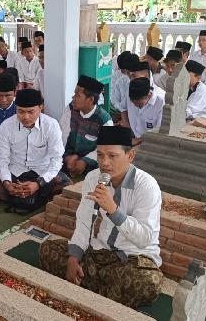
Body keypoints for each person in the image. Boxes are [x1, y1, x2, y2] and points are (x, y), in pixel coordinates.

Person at [38, 126, 163, 308]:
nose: (104, 162)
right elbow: (84, 221)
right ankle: (103, 291)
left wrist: (113, 209)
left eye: (112, 156)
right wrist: (74, 257)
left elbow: (144, 238)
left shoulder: (147, 186)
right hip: (99, 253)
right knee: (47, 249)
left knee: (147, 283)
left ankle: (93, 297)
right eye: (100, 155)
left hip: (133, 258)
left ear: (130, 156)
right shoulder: (93, 177)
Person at [0, 89, 71, 214]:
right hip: (16, 173)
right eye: (20, 111)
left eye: (31, 112)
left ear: (41, 108)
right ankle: (29, 196)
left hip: (41, 173)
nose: (25, 117)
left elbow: (56, 160)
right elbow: (2, 159)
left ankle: (25, 196)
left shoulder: (51, 125)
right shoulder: (7, 126)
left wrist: (38, 184)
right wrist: (7, 183)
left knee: (67, 186)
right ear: (16, 108)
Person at [59, 76, 114, 177]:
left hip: (92, 167)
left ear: (90, 100)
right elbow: (62, 135)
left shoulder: (105, 120)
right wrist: (67, 157)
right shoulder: (70, 109)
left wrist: (84, 161)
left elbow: (106, 148)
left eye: (77, 95)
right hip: (68, 161)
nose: (73, 97)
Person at [126, 77, 165, 145]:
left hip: (152, 141)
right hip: (133, 137)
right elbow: (122, 108)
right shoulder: (129, 96)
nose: (135, 105)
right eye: (133, 102)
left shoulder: (161, 103)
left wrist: (138, 140)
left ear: (149, 95)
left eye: (139, 104)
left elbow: (160, 130)